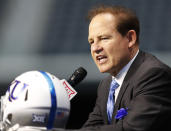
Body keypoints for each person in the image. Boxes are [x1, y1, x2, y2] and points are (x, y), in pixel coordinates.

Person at [79, 5, 171, 131]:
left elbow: (130, 129)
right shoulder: (106, 85)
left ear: (130, 38)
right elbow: (91, 127)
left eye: (104, 38)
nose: (95, 48)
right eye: (91, 42)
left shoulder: (154, 75)